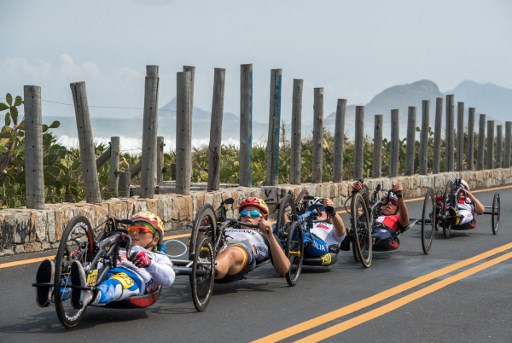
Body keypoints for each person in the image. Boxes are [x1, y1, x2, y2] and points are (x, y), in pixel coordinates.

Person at [35, 211, 175, 309]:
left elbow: (169, 278)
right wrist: (82, 254)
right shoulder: (119, 247)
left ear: (155, 239)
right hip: (104, 269)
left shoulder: (158, 257)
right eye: (132, 229)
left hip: (133, 278)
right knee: (81, 276)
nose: (134, 233)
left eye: (141, 230)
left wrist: (149, 263)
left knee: (115, 283)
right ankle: (52, 293)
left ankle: (90, 295)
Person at [214, 197, 290, 282]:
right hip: (218, 245)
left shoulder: (266, 235)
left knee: (230, 253)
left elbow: (284, 269)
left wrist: (270, 236)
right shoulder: (229, 227)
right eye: (244, 213)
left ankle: (212, 269)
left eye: (253, 214)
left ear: (263, 218)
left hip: (242, 249)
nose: (248, 215)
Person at [352, 180, 410, 250]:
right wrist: (355, 193)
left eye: (393, 201)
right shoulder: (373, 214)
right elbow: (355, 212)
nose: (389, 203)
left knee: (380, 233)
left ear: (397, 208)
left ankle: (370, 239)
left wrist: (400, 197)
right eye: (386, 200)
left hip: (384, 232)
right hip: (368, 229)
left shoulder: (397, 217)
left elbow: (405, 221)